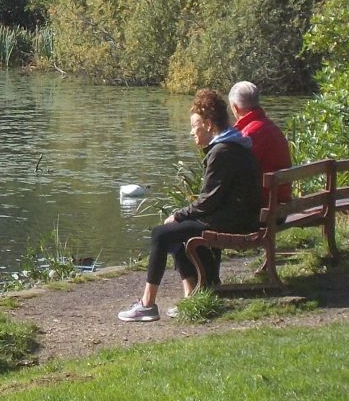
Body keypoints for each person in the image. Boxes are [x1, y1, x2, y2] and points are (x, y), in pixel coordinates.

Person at [119, 88, 261, 321]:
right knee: (175, 234)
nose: (191, 131)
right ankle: (193, 295)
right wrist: (184, 216)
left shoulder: (222, 152)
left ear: (207, 124)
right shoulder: (233, 144)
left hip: (235, 223)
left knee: (160, 234)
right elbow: (213, 199)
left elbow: (208, 201)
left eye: (194, 126)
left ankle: (147, 305)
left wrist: (179, 214)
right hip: (239, 217)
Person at [229, 80, 292, 207]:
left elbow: (235, 173)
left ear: (235, 108)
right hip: (281, 203)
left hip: (264, 208)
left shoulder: (248, 135)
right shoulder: (271, 127)